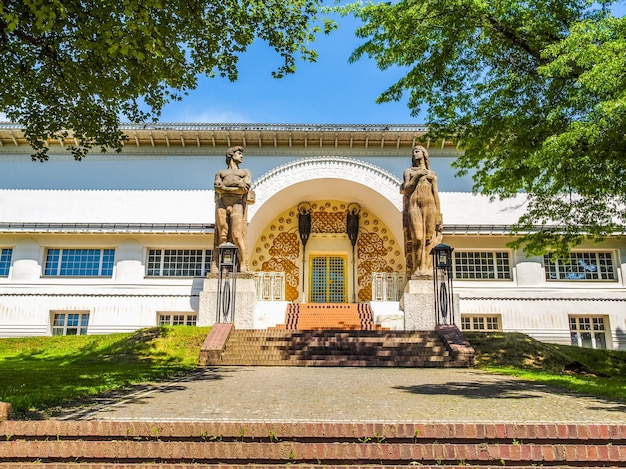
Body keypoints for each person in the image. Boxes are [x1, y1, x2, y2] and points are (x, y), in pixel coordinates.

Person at [400, 145, 443, 276]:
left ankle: (427, 269)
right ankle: (417, 268)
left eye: (417, 151)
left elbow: (435, 193)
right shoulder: (409, 171)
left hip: (430, 205)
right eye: (413, 152)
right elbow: (406, 189)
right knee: (417, 238)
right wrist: (417, 175)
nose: (415, 154)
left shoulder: (432, 174)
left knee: (429, 238)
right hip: (414, 205)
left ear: (424, 154)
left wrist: (438, 214)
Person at [213, 146, 254, 271]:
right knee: (223, 234)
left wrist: (225, 188)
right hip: (222, 204)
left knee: (236, 234)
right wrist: (236, 186)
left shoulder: (245, 172)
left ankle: (243, 263)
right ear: (231, 155)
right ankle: (219, 264)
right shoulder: (220, 173)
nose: (241, 156)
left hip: (237, 204)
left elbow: (244, 188)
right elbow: (218, 188)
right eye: (239, 153)